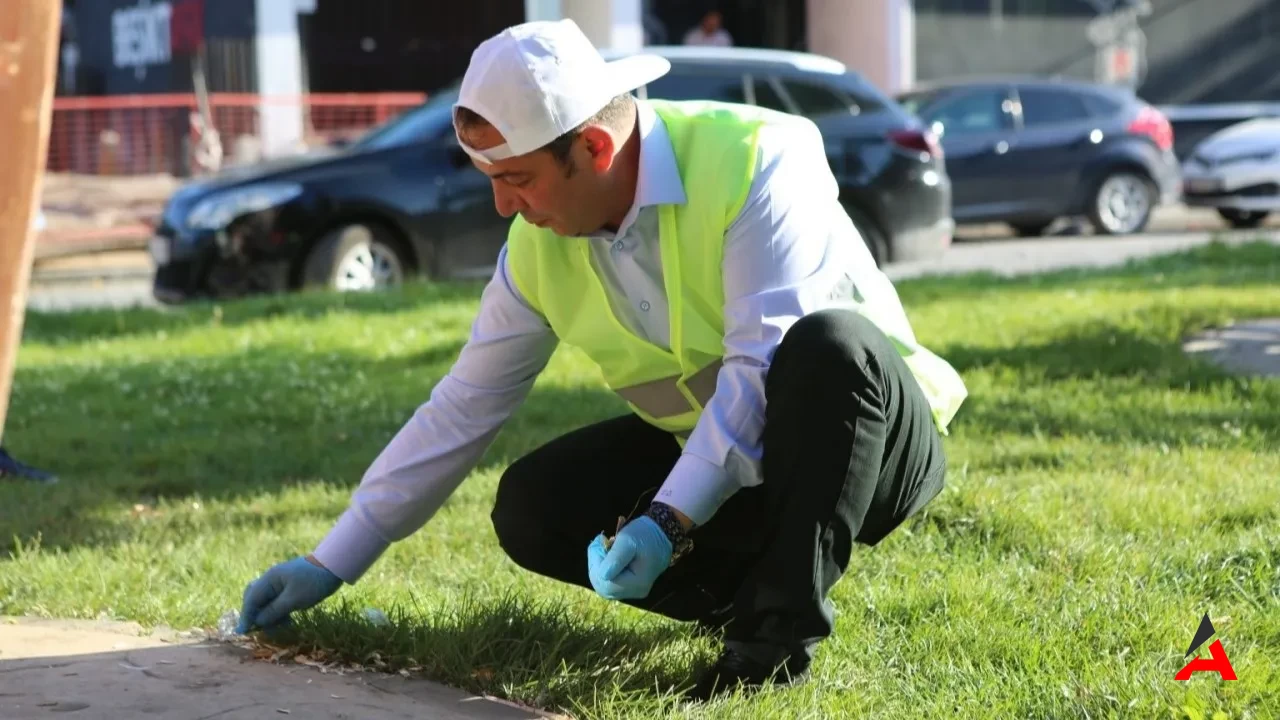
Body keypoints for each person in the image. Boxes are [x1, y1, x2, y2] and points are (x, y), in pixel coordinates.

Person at [235, 19, 968, 701]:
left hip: (870, 446)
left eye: (516, 179)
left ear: (593, 147)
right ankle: (741, 593)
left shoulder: (757, 158)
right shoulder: (534, 249)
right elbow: (465, 402)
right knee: (533, 504)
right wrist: (333, 559)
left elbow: (760, 370)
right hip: (729, 463)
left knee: (825, 347)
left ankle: (769, 647)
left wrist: (667, 520)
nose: (501, 206)